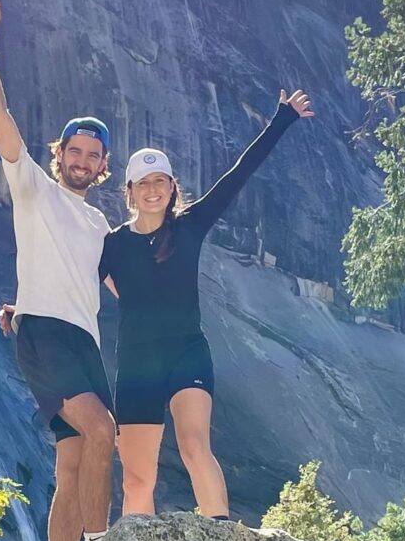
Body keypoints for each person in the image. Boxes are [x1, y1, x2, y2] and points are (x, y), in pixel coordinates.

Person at [104, 91, 315, 519]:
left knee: (195, 446)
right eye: (142, 184)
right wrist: (23, 307)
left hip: (187, 353)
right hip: (138, 362)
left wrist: (283, 118)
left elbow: (239, 174)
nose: (152, 190)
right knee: (136, 478)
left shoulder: (189, 225)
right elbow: (79, 281)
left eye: (159, 181)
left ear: (171, 187)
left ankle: (220, 538)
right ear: (129, 192)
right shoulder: (111, 245)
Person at [0, 0, 117, 541]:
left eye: (93, 156)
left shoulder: (102, 226)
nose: (81, 161)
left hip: (82, 342)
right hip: (44, 334)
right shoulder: (31, 183)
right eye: (73, 151)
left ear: (103, 167)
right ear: (58, 154)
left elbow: (129, 284)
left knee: (75, 460)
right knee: (103, 431)